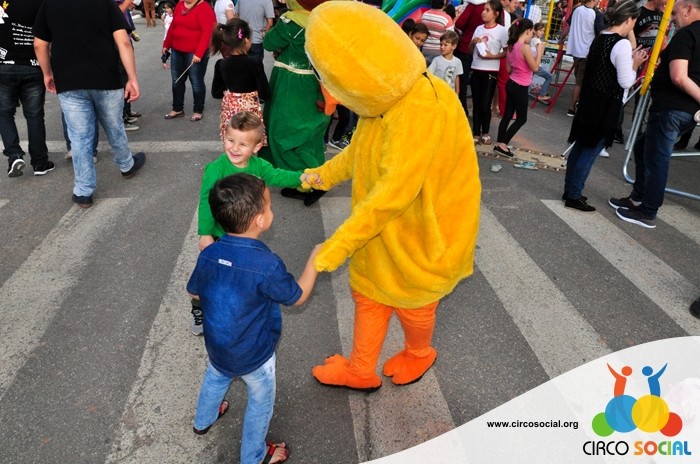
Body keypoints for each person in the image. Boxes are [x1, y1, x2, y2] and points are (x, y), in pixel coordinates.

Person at [304, 1, 481, 392]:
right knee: (368, 295)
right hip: (383, 235)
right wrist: (321, 176)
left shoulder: (421, 107)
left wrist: (338, 245)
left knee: (413, 304)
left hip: (421, 237)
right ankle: (360, 369)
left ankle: (419, 353)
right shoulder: (384, 100)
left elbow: (393, 194)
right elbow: (359, 151)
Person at [188, 172, 320, 464]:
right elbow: (296, 296)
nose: (271, 211)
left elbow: (194, 291)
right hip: (254, 352)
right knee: (260, 401)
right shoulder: (267, 264)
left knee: (215, 378)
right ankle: (255, 456)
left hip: (218, 344)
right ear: (260, 220)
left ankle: (203, 421)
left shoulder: (208, 253)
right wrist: (314, 261)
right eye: (269, 206)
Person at [192, 111, 319, 335]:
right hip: (220, 236)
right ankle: (198, 308)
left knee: (238, 274)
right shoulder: (215, 169)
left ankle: (235, 302)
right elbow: (205, 201)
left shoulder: (259, 166)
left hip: (246, 236)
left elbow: (277, 176)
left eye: (243, 144)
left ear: (257, 146)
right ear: (224, 136)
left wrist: (301, 177)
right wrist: (205, 233)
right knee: (209, 277)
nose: (234, 148)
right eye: (230, 140)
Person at [33, 0, 146, 209]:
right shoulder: (105, 3)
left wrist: (47, 73)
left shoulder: (50, 4)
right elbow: (123, 42)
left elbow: (40, 44)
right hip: (107, 78)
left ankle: (83, 191)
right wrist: (132, 78)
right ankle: (126, 165)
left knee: (79, 137)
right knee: (114, 127)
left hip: (69, 81)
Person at [609, 0, 700, 228]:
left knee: (656, 159)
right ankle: (638, 197)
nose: (672, 18)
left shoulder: (687, 34)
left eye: (675, 13)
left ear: (689, 9)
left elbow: (679, 76)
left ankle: (648, 210)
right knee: (643, 148)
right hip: (684, 110)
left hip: (673, 107)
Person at [563, 0, 647, 212]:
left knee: (580, 146)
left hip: (590, 100)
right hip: (606, 104)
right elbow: (626, 81)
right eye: (634, 21)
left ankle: (570, 190)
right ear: (629, 20)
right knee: (590, 151)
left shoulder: (600, 37)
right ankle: (574, 194)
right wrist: (635, 64)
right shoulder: (621, 44)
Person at [259, 0, 329, 206]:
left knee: (284, 132)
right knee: (310, 133)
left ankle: (304, 181)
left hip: (291, 83)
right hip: (316, 82)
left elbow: (269, 43)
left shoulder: (291, 21)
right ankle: (320, 174)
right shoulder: (325, 21)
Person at [0, 0, 54, 178]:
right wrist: (48, 71)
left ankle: (14, 154)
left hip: (3, 65)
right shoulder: (40, 3)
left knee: (4, 114)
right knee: (35, 116)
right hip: (33, 65)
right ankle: (40, 162)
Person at [210, 19, 270, 142]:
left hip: (230, 114)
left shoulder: (221, 64)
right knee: (250, 143)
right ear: (246, 40)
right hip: (250, 114)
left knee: (232, 144)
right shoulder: (255, 63)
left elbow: (216, 93)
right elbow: (265, 93)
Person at [494, 19, 544, 156]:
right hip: (520, 86)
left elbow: (509, 69)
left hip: (511, 82)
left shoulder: (511, 45)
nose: (531, 35)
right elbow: (535, 68)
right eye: (531, 32)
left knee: (507, 115)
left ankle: (499, 142)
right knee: (522, 118)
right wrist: (540, 52)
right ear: (528, 31)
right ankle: (503, 144)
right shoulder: (524, 47)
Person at [162, 0, 216, 122]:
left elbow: (207, 32)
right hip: (177, 49)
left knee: (196, 81)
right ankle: (177, 108)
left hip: (194, 52)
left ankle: (198, 110)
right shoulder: (180, 5)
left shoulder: (204, 8)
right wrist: (166, 44)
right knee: (176, 80)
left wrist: (199, 53)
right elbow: (173, 26)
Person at [469, 0, 508, 145]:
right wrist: (473, 43)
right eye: (483, 9)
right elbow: (469, 51)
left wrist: (492, 56)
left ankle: (485, 132)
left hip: (491, 70)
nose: (483, 12)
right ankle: (476, 132)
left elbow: (506, 51)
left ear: (496, 14)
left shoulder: (501, 31)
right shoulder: (479, 28)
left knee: (485, 104)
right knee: (476, 102)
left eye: (487, 10)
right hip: (476, 68)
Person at [566, 0, 600, 117]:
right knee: (580, 82)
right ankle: (572, 107)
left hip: (576, 50)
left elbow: (569, 25)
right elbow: (599, 32)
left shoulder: (577, 10)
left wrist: (563, 37)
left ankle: (576, 104)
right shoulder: (595, 14)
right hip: (587, 51)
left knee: (579, 79)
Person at [455, 0, 487, 116]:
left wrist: (467, 29)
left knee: (463, 81)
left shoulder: (473, 5)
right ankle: (480, 111)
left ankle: (463, 108)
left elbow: (459, 23)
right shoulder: (494, 7)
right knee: (481, 83)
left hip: (466, 46)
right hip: (485, 51)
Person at [531, 22, 554, 102]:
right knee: (549, 77)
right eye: (540, 30)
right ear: (534, 31)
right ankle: (542, 94)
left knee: (529, 79)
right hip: (536, 65)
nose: (542, 32)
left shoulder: (533, 40)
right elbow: (539, 52)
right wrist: (542, 46)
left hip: (533, 64)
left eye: (543, 31)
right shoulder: (536, 41)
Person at [160, 0, 174, 69]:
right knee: (165, 50)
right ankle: (164, 63)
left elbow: (168, 28)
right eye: (165, 8)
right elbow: (165, 27)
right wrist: (163, 20)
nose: (166, 10)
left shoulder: (175, 17)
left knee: (173, 51)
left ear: (173, 8)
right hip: (166, 37)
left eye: (168, 8)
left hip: (173, 37)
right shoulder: (166, 16)